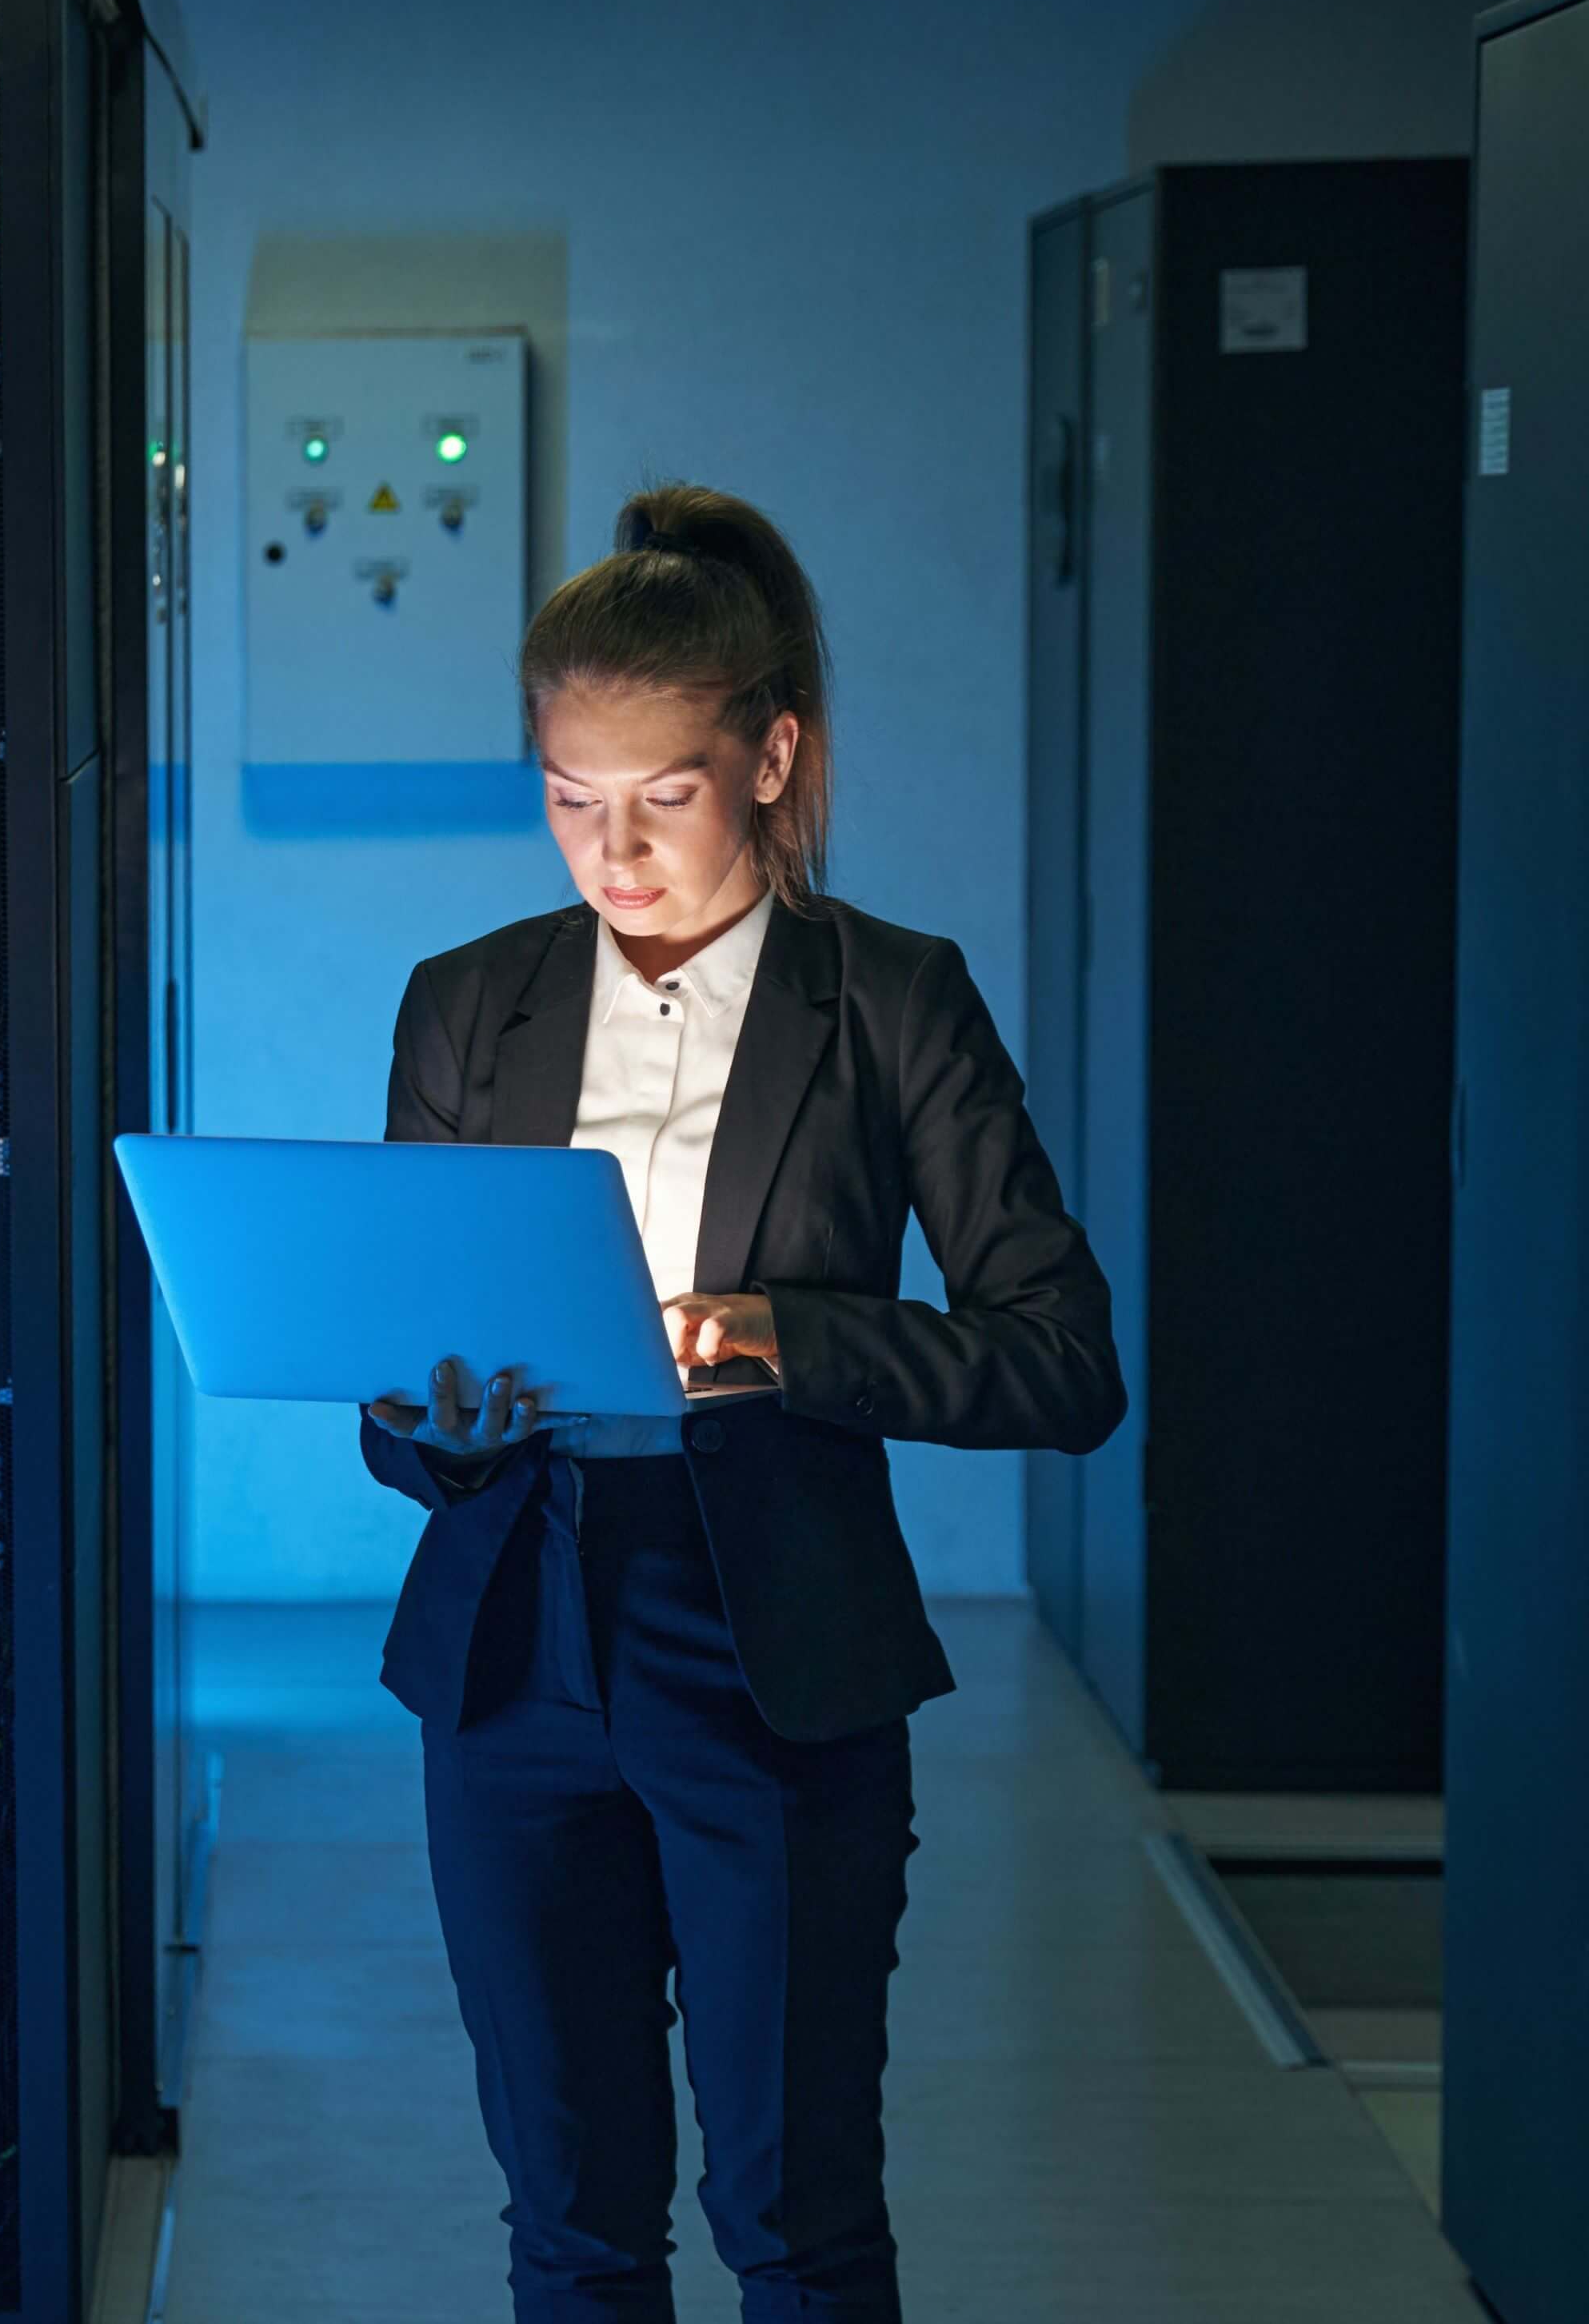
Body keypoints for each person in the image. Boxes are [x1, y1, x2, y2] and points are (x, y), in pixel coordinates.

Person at [358, 482, 1126, 2323]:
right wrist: (441, 1408)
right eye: (567, 797)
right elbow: (399, 1411)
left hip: (771, 1640)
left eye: (662, 796)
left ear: (769, 757)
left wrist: (793, 1332)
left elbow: (1060, 1355)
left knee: (793, 2217)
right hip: (513, 1642)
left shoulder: (890, 1001)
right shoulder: (466, 1003)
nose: (609, 850)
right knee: (570, 2220)